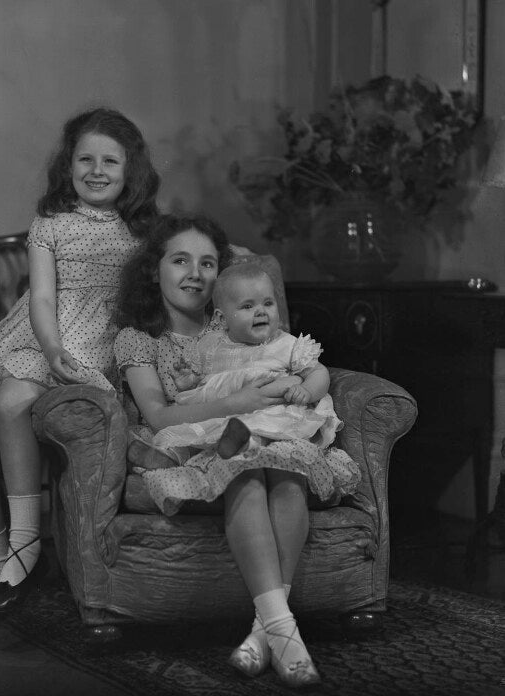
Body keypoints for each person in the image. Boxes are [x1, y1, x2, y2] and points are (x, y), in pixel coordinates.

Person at [113, 213, 361, 687]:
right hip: (209, 438)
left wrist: (298, 388)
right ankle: (285, 633)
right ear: (153, 269)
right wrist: (240, 401)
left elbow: (292, 355)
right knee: (243, 474)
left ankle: (264, 632)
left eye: (208, 263)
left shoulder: (233, 319)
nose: (195, 273)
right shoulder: (139, 338)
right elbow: (159, 415)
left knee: (287, 478)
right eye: (180, 260)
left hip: (275, 432)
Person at [0, 107, 159, 633]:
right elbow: (40, 297)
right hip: (36, 336)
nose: (97, 169)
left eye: (111, 160)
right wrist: (50, 346)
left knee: (11, 401)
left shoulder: (144, 230)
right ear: (68, 165)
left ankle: (24, 546)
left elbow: (178, 271)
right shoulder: (51, 224)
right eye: (85, 158)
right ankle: (2, 574)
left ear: (131, 171)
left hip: (95, 342)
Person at [151, 261, 342, 458]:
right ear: (222, 319)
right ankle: (172, 456)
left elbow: (319, 372)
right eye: (248, 306)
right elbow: (205, 389)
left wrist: (307, 390)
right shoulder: (210, 346)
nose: (261, 311)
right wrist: (190, 384)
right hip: (223, 418)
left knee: (264, 432)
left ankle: (247, 446)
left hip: (272, 417)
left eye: (268, 303)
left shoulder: (286, 344)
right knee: (196, 437)